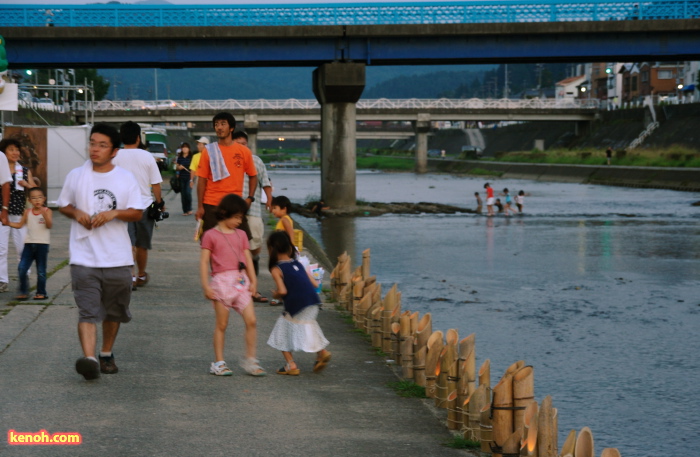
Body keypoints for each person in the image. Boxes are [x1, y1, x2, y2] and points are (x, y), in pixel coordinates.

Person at [57, 123, 143, 380]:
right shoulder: (76, 175)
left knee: (114, 311)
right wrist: (77, 212)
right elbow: (64, 205)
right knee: (88, 311)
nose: (94, 149)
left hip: (117, 257)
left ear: (114, 151)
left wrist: (114, 212)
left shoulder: (125, 178)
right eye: (92, 143)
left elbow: (137, 212)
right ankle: (90, 359)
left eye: (102, 145)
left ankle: (106, 352)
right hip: (84, 255)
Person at [199, 194, 265, 377]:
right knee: (222, 324)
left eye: (241, 217)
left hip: (240, 281)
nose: (239, 221)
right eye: (236, 217)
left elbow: (247, 258)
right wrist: (206, 285)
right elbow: (204, 262)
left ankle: (250, 359)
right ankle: (219, 362)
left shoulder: (241, 235)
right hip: (220, 284)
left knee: (251, 320)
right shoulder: (210, 235)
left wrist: (253, 281)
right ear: (224, 213)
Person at [266, 231, 331, 376]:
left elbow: (282, 291)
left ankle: (291, 364)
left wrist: (275, 294)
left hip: (298, 304)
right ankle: (321, 352)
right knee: (308, 326)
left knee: (281, 330)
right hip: (313, 302)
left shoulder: (276, 269)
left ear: (271, 249)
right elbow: (314, 283)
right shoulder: (298, 263)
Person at [112, 121, 164, 289]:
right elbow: (156, 184)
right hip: (144, 206)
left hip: (123, 207)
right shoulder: (146, 156)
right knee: (142, 244)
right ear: (137, 137)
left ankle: (130, 276)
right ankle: (141, 275)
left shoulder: (115, 156)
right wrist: (160, 203)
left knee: (127, 243)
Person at [195, 113, 257, 234]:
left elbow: (253, 176)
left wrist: (250, 198)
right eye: (216, 124)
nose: (219, 127)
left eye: (223, 124)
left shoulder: (244, 151)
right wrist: (200, 206)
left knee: (241, 242)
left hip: (235, 204)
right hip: (211, 204)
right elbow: (201, 180)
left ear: (231, 128)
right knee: (211, 243)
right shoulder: (209, 151)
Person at [234, 131, 273, 303]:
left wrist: (270, 200)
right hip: (233, 211)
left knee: (255, 247)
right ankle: (242, 290)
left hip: (254, 209)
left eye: (244, 143)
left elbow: (265, 182)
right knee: (234, 251)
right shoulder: (228, 160)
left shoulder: (256, 160)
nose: (242, 147)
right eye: (238, 143)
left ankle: (252, 287)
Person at [9, 187, 52, 300]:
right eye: (34, 198)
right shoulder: (27, 212)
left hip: (42, 245)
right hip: (28, 244)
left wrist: (44, 214)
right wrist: (7, 222)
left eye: (39, 197)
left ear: (44, 199)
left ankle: (41, 292)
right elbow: (19, 225)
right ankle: (24, 291)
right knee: (22, 268)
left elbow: (49, 225)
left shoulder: (48, 211)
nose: (37, 200)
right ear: (29, 200)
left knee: (41, 270)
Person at [0, 139, 28, 292]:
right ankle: (2, 280)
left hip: (18, 214)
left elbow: (36, 188)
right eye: (11, 149)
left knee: (22, 247)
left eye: (17, 149)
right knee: (1, 248)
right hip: (1, 214)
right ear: (4, 152)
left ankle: (25, 277)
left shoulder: (23, 170)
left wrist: (28, 184)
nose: (15, 152)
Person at [175, 142, 194, 215]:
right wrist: (179, 168)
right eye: (183, 148)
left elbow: (193, 168)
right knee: (183, 194)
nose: (185, 149)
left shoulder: (191, 157)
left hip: (189, 177)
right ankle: (185, 210)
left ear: (189, 149)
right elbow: (176, 168)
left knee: (188, 193)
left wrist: (192, 179)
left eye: (186, 148)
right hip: (181, 178)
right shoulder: (179, 158)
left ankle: (189, 209)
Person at [189, 136, 208, 205]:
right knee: (200, 197)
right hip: (199, 179)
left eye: (200, 144)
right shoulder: (195, 156)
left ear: (206, 146)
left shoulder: (211, 155)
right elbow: (193, 169)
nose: (198, 146)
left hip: (209, 180)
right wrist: (191, 180)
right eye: (198, 144)